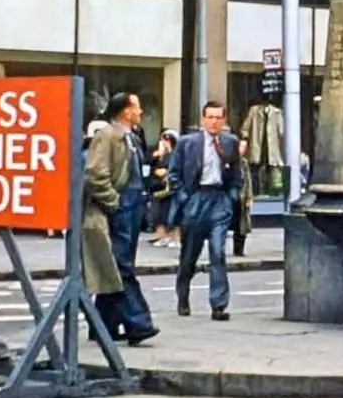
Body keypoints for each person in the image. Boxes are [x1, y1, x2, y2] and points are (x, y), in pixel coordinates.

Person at [83, 93, 158, 345]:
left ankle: (103, 326)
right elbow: (95, 173)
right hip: (121, 206)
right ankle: (139, 323)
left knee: (115, 265)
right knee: (121, 266)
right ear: (126, 111)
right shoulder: (107, 135)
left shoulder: (132, 137)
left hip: (134, 205)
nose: (141, 112)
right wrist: (114, 202)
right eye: (137, 107)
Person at [169, 101, 244, 321]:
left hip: (219, 199)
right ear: (203, 119)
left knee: (218, 252)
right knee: (189, 255)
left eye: (218, 118)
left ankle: (218, 304)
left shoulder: (230, 142)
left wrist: (232, 197)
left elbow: (236, 173)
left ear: (224, 120)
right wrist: (185, 199)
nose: (214, 122)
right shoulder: (187, 143)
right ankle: (183, 296)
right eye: (210, 117)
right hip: (196, 199)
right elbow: (174, 174)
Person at [147, 130, 179, 248]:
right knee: (157, 214)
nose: (164, 143)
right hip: (157, 187)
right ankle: (162, 236)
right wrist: (158, 155)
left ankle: (175, 237)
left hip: (170, 188)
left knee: (171, 214)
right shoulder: (159, 155)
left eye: (167, 141)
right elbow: (149, 164)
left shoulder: (175, 154)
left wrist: (166, 172)